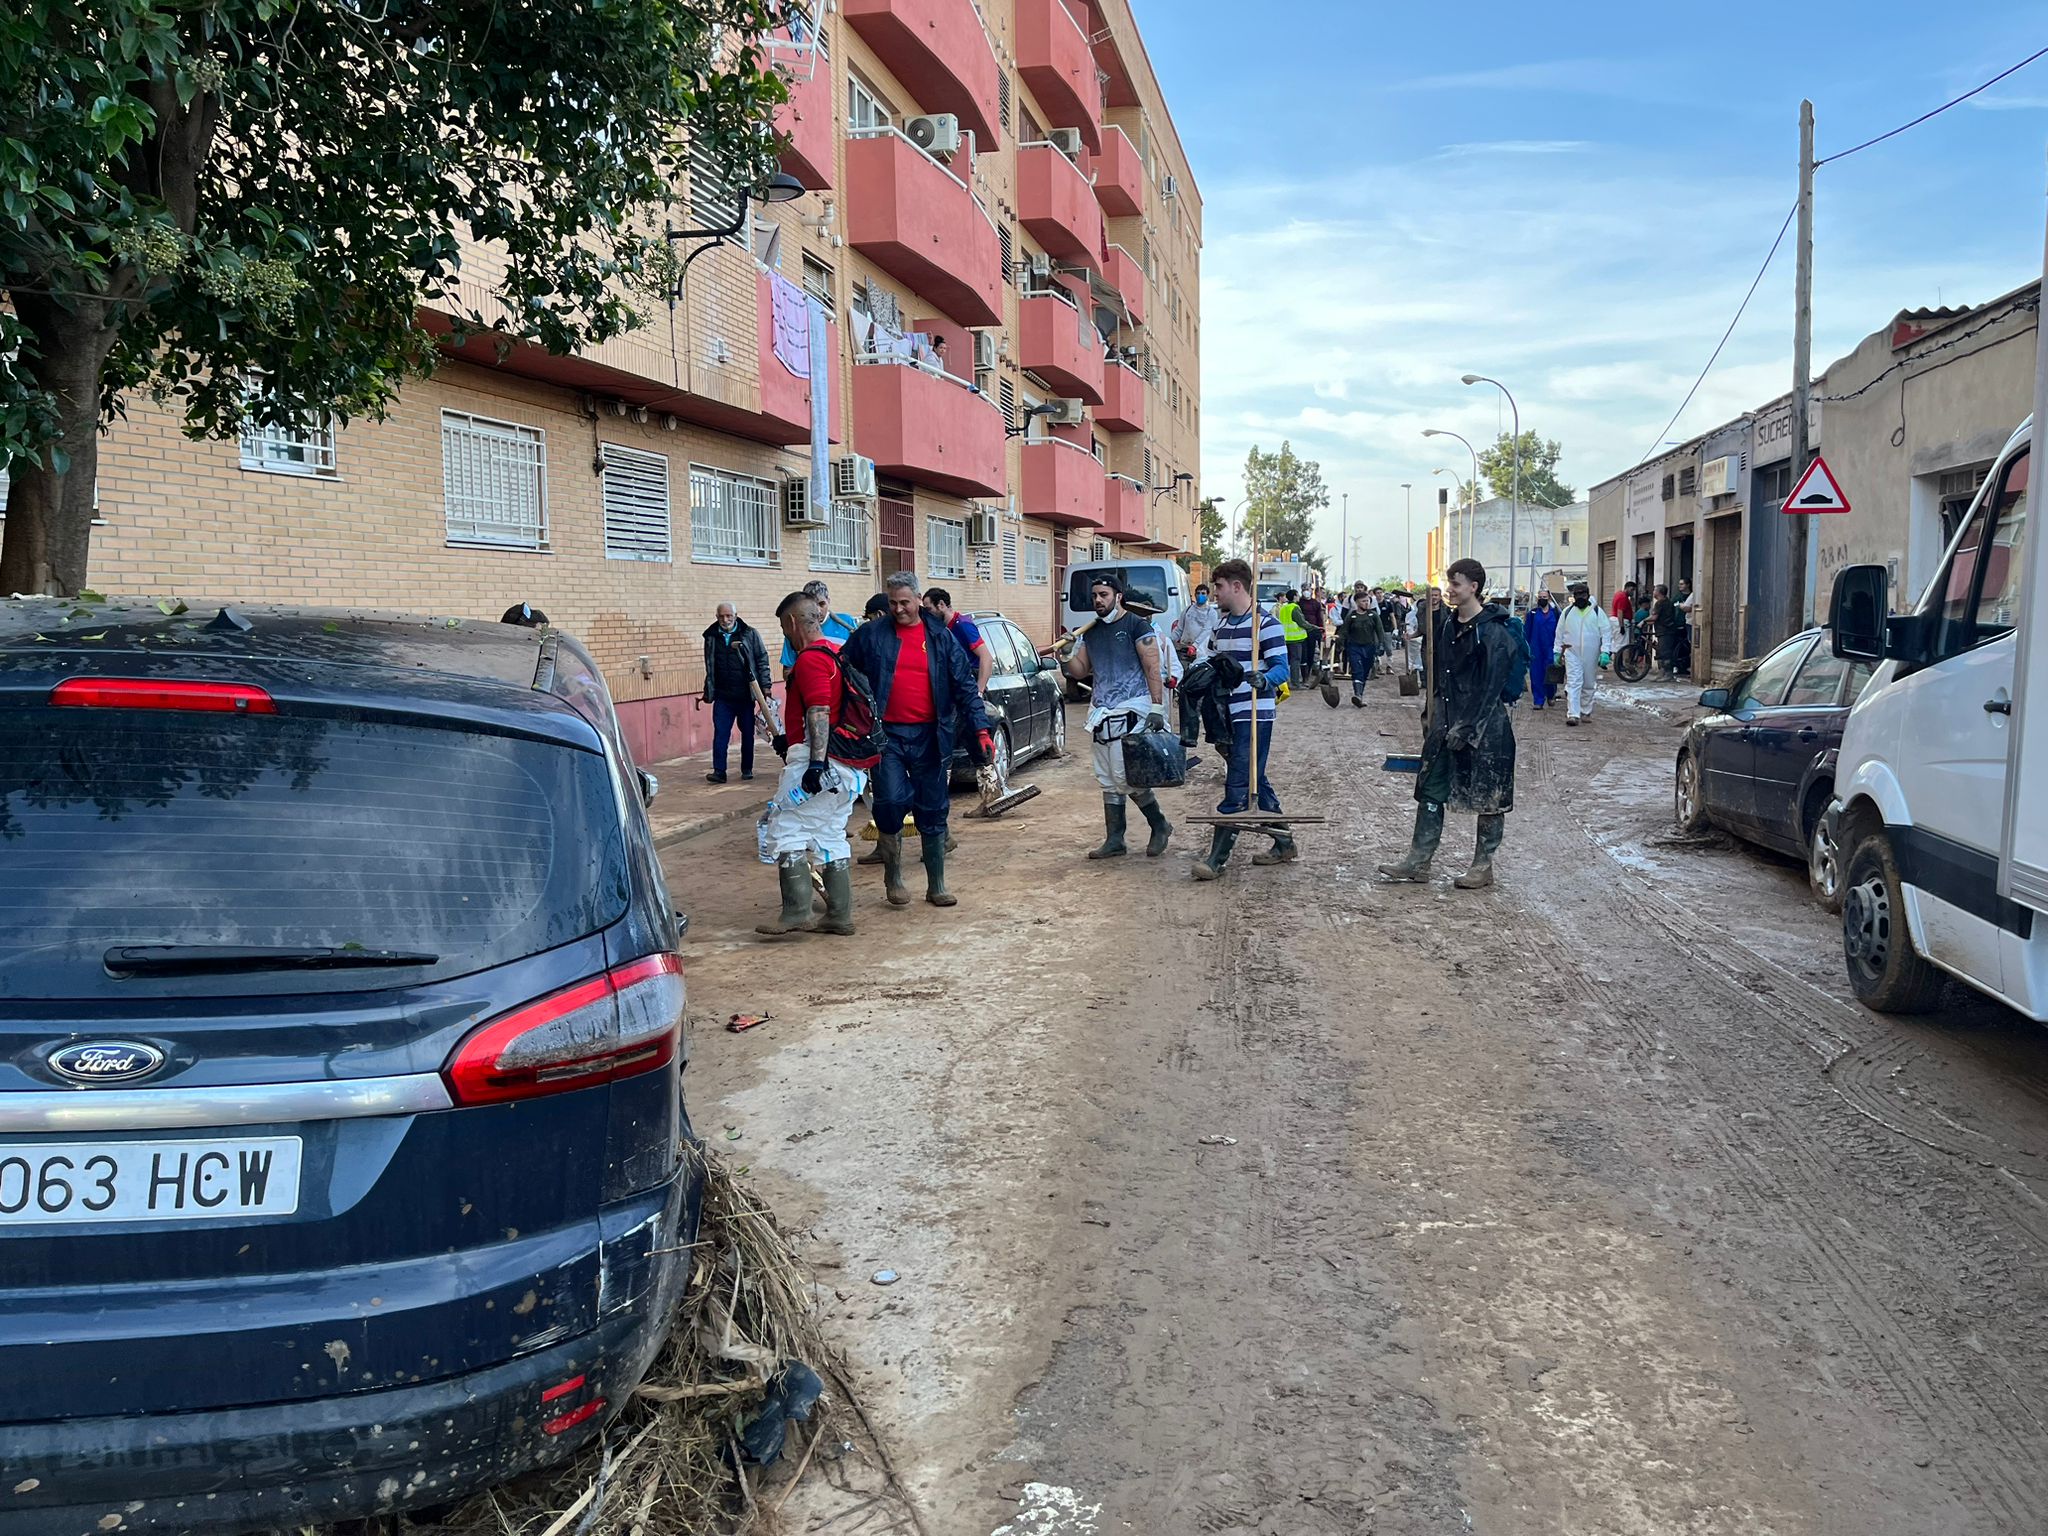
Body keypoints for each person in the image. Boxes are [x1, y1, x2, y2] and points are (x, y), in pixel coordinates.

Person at [840, 573, 992, 907]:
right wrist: (852, 718)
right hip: (887, 737)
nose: (898, 609)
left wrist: (980, 729)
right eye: (892, 603)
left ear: (918, 599)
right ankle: (893, 877)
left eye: (904, 602)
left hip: (931, 735)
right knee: (890, 802)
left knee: (933, 807)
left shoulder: (940, 637)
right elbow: (843, 669)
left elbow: (964, 686)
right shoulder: (870, 635)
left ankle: (936, 884)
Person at [1379, 558, 1518, 889]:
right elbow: (1441, 679)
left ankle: (1483, 866)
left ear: (1474, 587)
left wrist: (1468, 727)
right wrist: (1435, 718)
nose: (1449, 590)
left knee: (1490, 796)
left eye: (1455, 584)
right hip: (1446, 724)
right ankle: (1418, 861)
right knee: (1431, 786)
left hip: (1486, 730)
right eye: (1448, 583)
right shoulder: (1446, 627)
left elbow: (1490, 688)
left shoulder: (1494, 632)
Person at [756, 592, 864, 938]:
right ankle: (839, 914)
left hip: (821, 762)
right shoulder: (835, 652)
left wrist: (814, 766)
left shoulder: (810, 661)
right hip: (847, 764)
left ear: (791, 623)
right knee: (830, 834)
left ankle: (798, 911)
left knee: (785, 828)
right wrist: (790, 739)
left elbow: (819, 710)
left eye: (783, 627)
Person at [1193, 559, 1293, 880]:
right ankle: (1284, 842)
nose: (1214, 593)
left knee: (1238, 780)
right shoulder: (1221, 627)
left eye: (1219, 587)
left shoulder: (1266, 625)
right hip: (1227, 716)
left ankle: (1216, 860)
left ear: (1237, 586)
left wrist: (1263, 679)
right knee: (1254, 776)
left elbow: (1282, 669)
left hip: (1255, 713)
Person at [1061, 572, 1172, 860]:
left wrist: (1157, 707)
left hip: (1132, 708)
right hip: (1100, 711)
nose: (1098, 600)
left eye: (1104, 595)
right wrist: (1066, 654)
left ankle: (1159, 824)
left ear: (1118, 596)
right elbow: (1080, 670)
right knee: (1107, 778)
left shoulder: (1137, 626)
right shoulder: (1092, 631)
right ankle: (1115, 839)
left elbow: (1152, 668)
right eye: (1095, 595)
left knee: (1126, 775)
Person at [701, 602, 772, 783]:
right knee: (721, 734)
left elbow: (762, 659)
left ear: (735, 615)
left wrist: (766, 687)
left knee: (747, 733)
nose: (725, 620)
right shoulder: (711, 636)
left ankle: (747, 769)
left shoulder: (749, 634)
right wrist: (709, 690)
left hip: (745, 696)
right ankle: (719, 772)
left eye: (729, 616)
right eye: (721, 616)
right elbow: (710, 665)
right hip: (723, 696)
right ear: (717, 617)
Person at [1554, 580, 1609, 725]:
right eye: (1577, 595)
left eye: (1583, 594)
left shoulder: (1597, 612)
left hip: (1591, 653)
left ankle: (1585, 711)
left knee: (1588, 683)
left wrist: (1605, 652)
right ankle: (1573, 714)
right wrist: (1557, 652)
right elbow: (1559, 633)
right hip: (1572, 652)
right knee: (1573, 682)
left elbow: (1606, 632)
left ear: (1588, 595)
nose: (1580, 597)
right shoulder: (1567, 612)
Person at [924, 587, 994, 692]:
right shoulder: (943, 630)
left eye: (929, 609)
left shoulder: (963, 625)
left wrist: (979, 692)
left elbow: (986, 657)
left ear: (941, 605)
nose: (927, 615)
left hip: (969, 687)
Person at [779, 579, 858, 671]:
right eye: (813, 605)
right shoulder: (796, 630)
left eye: (822, 604)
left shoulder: (846, 622)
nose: (818, 610)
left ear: (828, 601)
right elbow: (787, 670)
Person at [1339, 583, 1385, 707]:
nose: (1366, 603)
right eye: (1363, 601)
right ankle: (1357, 694)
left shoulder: (1373, 616)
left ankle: (1360, 695)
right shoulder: (1351, 616)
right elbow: (1344, 631)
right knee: (1357, 670)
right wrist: (1340, 643)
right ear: (1357, 603)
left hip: (1369, 647)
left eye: (1368, 601)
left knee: (1365, 672)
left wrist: (1381, 645)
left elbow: (1380, 631)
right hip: (1354, 647)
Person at [1524, 590, 1560, 711]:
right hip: (1536, 650)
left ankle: (1551, 695)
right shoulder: (1532, 614)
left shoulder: (1555, 613)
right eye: (1540, 597)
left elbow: (1560, 631)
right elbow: (1526, 633)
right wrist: (1526, 649)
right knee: (1536, 675)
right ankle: (1538, 700)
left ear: (1549, 598)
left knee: (1551, 674)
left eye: (1544, 597)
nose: (1542, 599)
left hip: (1551, 648)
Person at [1651, 583, 1684, 679]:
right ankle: (1662, 673)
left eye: (1654, 590)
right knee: (1662, 652)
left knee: (1665, 653)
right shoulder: (1668, 602)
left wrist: (1643, 622)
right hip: (1667, 630)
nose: (1653, 592)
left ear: (1658, 592)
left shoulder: (1660, 603)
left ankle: (1668, 674)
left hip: (1665, 631)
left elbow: (1654, 617)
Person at [1275, 589, 1307, 688]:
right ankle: (1295, 683)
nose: (1299, 597)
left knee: (1286, 661)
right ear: (1294, 597)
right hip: (1295, 638)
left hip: (1285, 637)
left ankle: (1285, 682)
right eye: (1297, 595)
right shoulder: (1295, 607)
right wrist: (1315, 628)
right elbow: (1302, 622)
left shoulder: (1284, 607)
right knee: (1295, 661)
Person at [1296, 587, 1326, 680]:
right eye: (1304, 589)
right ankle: (1303, 674)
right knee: (1302, 654)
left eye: (1308, 589)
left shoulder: (1316, 604)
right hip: (1300, 631)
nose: (1306, 591)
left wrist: (1321, 628)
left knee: (1311, 652)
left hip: (1313, 631)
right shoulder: (1298, 603)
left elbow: (1319, 617)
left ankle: (1308, 673)